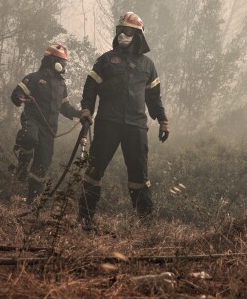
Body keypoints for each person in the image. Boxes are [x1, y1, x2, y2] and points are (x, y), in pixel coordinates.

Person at [77, 12, 169, 230]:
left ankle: (145, 224)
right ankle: (85, 219)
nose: (122, 36)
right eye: (119, 31)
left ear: (138, 35)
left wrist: (163, 119)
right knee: (94, 171)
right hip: (108, 122)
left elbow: (153, 97)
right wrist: (86, 109)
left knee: (139, 175)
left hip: (136, 126)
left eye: (127, 31)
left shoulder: (148, 65)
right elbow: (91, 86)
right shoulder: (106, 59)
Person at [9, 43, 82, 204]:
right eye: (61, 62)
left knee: (42, 164)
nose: (63, 65)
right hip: (32, 119)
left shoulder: (61, 84)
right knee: (30, 138)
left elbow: (65, 107)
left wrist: (80, 114)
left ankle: (32, 199)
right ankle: (22, 163)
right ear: (51, 60)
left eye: (65, 62)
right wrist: (19, 98)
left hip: (50, 129)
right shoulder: (34, 78)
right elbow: (17, 92)